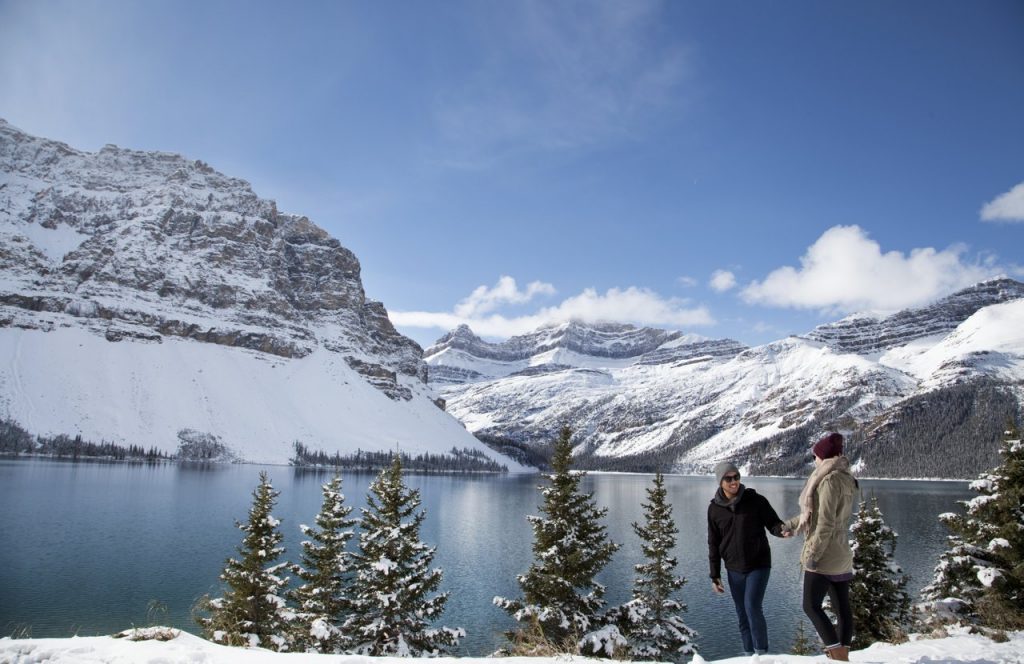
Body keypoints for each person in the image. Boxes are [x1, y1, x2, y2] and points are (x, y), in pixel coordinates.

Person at [782, 432, 859, 661]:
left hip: (825, 555)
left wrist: (813, 555)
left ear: (822, 457)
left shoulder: (827, 480)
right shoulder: (847, 478)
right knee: (841, 608)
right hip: (842, 553)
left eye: (815, 455)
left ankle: (836, 655)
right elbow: (814, 516)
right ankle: (842, 654)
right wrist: (790, 526)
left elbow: (824, 523)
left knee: (810, 605)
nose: (814, 460)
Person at [707, 460, 786, 656]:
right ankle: (748, 655)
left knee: (752, 606)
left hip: (758, 563)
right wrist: (714, 575)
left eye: (736, 477)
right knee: (742, 613)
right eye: (729, 478)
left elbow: (773, 522)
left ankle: (762, 654)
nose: (734, 481)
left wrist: (782, 531)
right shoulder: (714, 509)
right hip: (733, 568)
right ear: (720, 482)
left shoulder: (755, 500)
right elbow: (713, 543)